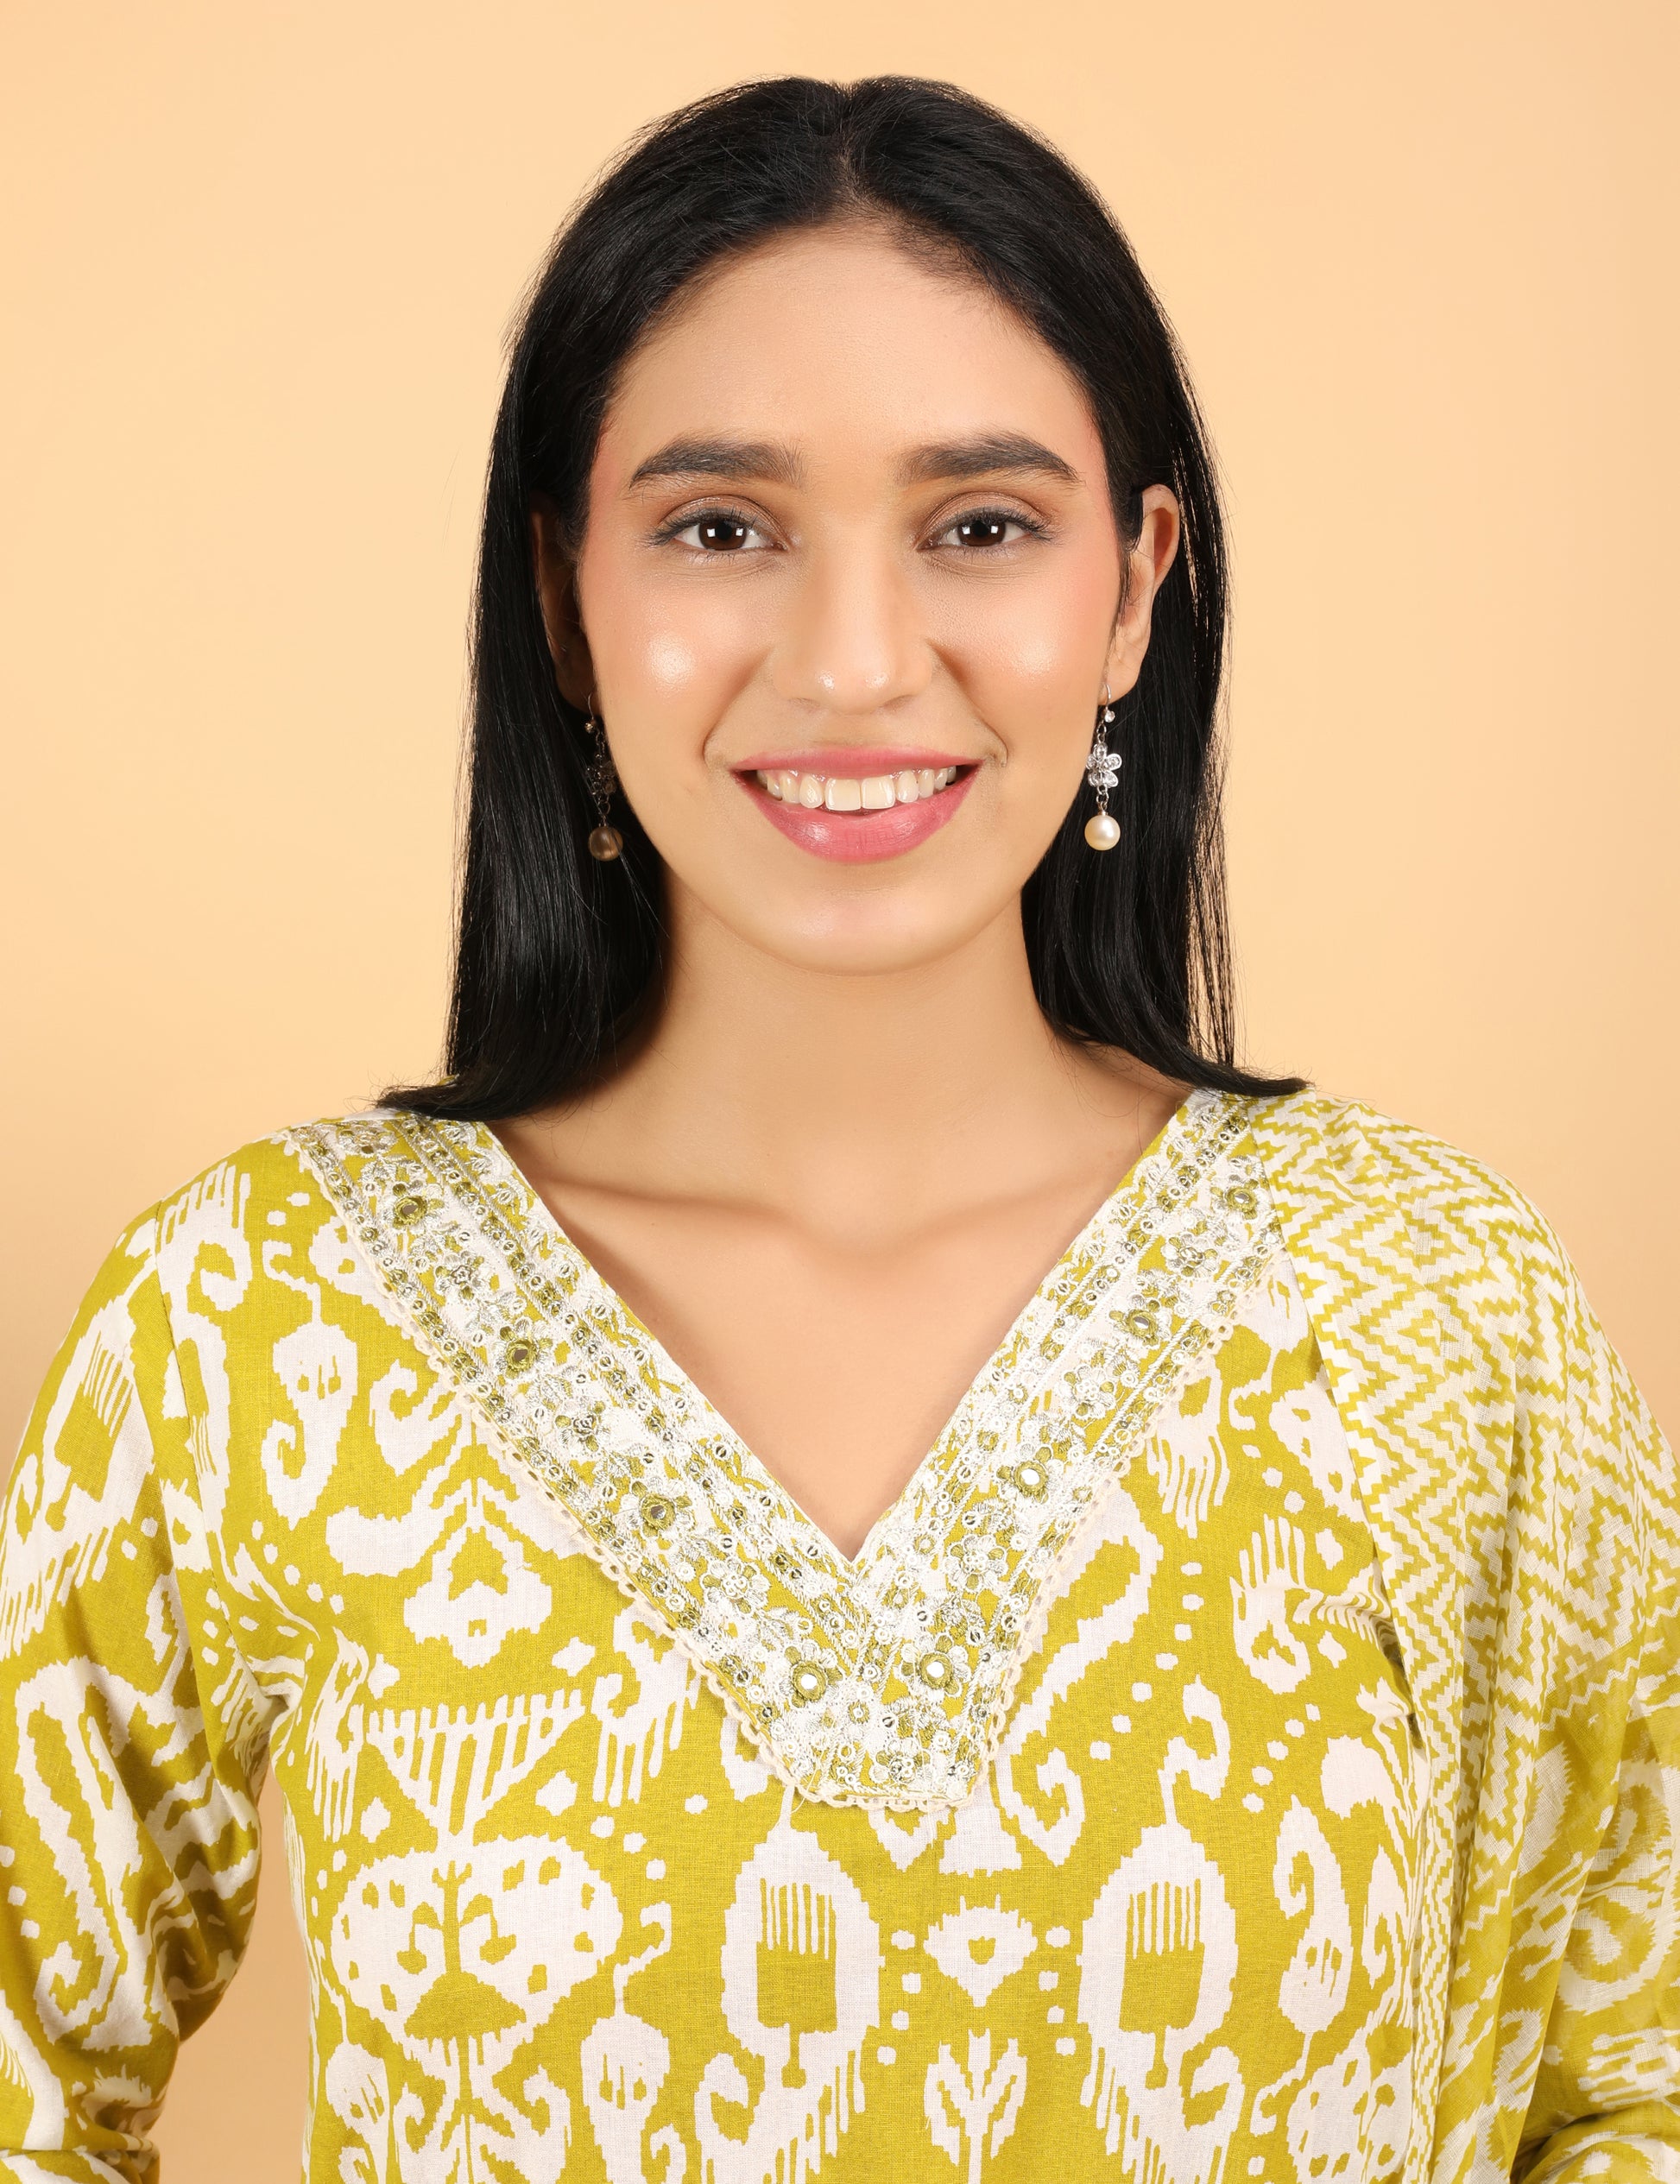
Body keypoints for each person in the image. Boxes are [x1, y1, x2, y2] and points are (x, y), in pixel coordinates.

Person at [1, 73, 1672, 2184]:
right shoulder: (266, 1319)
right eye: (722, 527)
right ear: (562, 594)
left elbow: (1631, 2077)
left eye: (980, 525)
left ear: (1134, 587)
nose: (858, 661)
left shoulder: (1431, 1307)